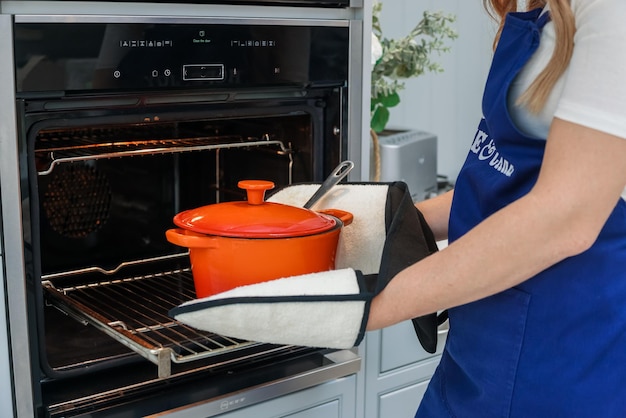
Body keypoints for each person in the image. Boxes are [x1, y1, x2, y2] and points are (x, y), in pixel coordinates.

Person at [366, 0, 626, 416]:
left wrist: (364, 307)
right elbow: (503, 180)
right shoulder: (541, 10)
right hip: (478, 347)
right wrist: (382, 221)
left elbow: (567, 216)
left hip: (562, 352)